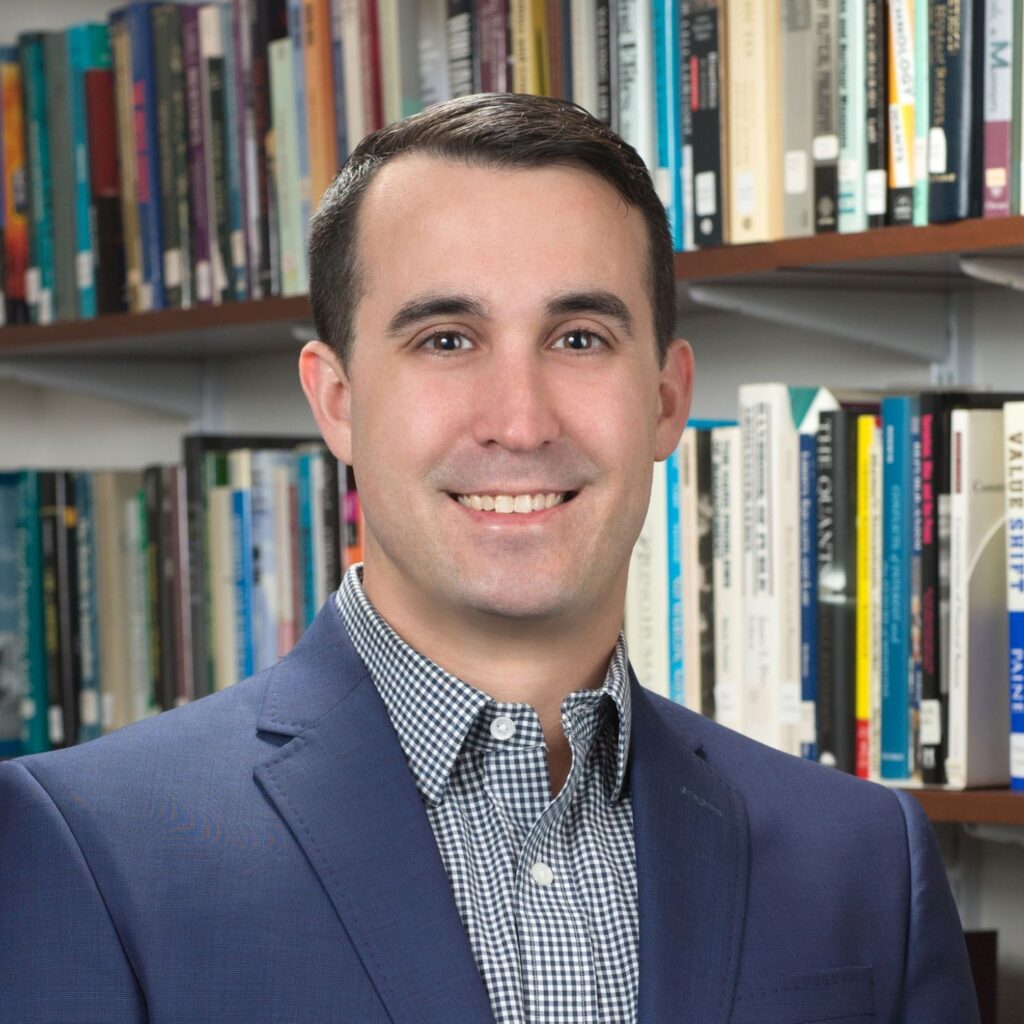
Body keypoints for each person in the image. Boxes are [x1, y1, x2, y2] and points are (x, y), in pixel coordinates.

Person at [0, 93, 978, 1024]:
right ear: (336, 399)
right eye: (448, 338)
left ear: (667, 398)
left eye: (580, 336)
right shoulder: (90, 844)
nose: (519, 420)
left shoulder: (863, 859)